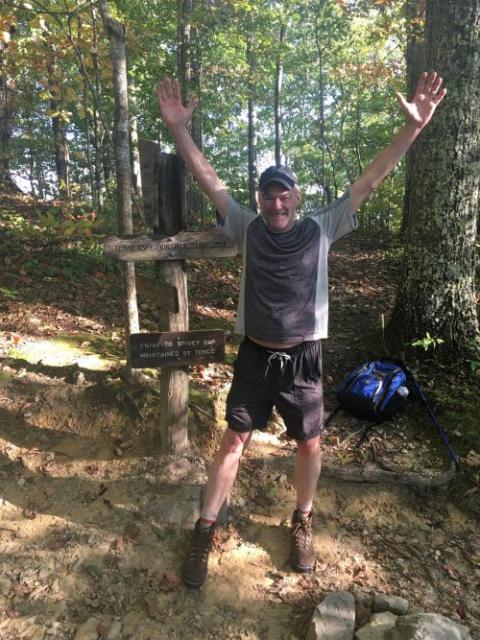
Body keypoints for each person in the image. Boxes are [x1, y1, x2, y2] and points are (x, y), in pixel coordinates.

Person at [155, 71, 446, 588]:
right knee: (232, 442)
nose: (276, 204)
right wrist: (179, 129)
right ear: (260, 199)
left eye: (284, 195)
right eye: (269, 196)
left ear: (297, 196)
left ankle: (303, 519)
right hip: (254, 355)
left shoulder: (321, 228)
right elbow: (208, 179)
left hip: (305, 358)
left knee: (310, 444)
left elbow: (371, 181)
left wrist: (412, 130)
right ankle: (204, 528)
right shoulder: (245, 226)